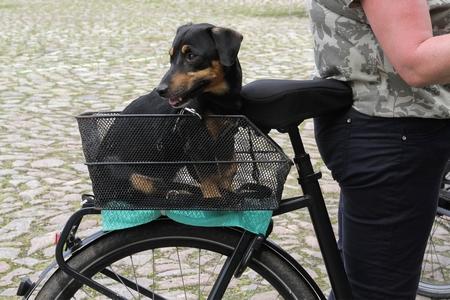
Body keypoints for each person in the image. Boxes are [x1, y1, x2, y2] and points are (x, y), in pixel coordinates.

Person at [306, 0, 450, 299]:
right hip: (392, 132)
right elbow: (416, 62)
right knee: (378, 292)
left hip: (389, 129)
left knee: (358, 286)